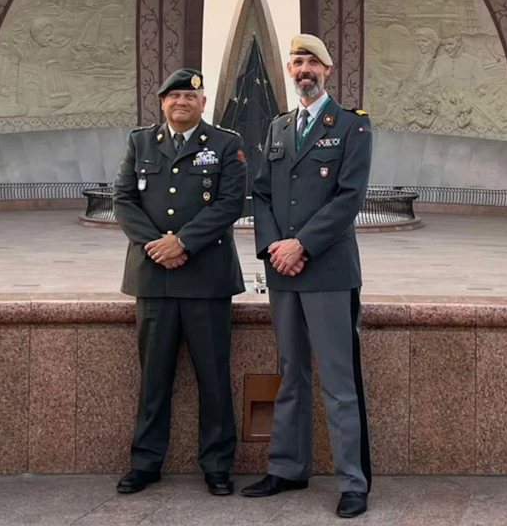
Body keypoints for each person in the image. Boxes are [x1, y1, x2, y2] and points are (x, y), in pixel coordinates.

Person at [243, 34, 373, 519]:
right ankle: (287, 468)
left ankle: (352, 483)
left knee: (339, 382)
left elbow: (348, 197)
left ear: (328, 69)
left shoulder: (351, 127)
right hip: (284, 273)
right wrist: (275, 247)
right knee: (289, 375)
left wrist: (302, 245)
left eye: (311, 62)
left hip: (328, 270)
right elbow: (261, 194)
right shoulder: (280, 128)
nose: (303, 69)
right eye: (296, 61)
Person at [112, 68, 248, 496]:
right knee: (153, 378)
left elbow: (230, 203)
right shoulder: (140, 143)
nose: (181, 103)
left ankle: (217, 464)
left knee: (213, 376)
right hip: (154, 277)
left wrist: (184, 243)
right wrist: (158, 245)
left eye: (190, 97)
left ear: (203, 103)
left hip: (206, 279)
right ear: (162, 103)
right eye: (172, 97)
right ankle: (146, 462)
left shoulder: (227, 144)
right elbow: (123, 199)